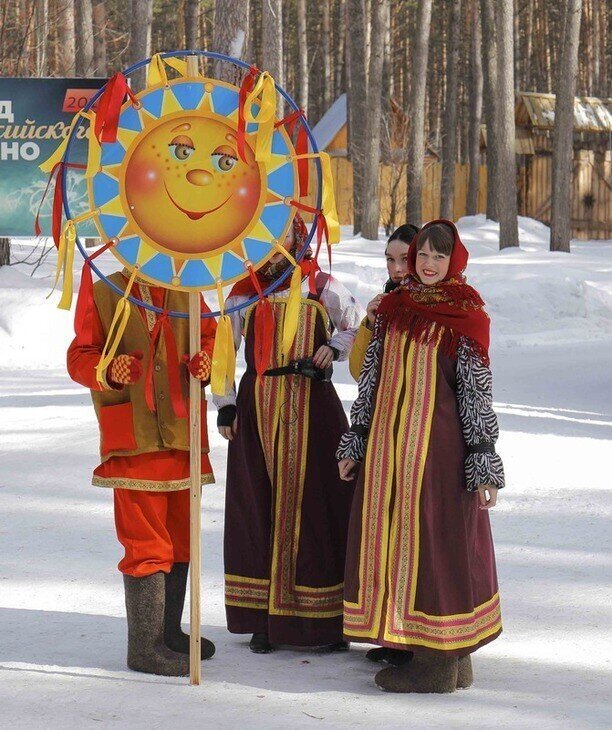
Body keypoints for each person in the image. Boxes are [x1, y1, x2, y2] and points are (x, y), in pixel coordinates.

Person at [337, 219, 505, 693]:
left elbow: (475, 395)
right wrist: (356, 440)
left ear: (454, 261)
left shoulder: (466, 315)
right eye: (423, 256)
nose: (429, 264)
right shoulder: (393, 309)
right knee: (401, 550)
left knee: (438, 549)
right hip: (391, 455)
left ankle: (436, 665)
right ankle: (446, 656)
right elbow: (369, 384)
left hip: (438, 457)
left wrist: (483, 460)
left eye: (439, 256)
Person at [215, 214, 365, 654]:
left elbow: (357, 324)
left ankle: (322, 619)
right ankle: (264, 617)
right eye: (264, 234)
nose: (273, 242)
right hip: (259, 405)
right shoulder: (243, 290)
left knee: (316, 505)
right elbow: (225, 349)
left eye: (280, 233)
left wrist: (333, 346)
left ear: (296, 235)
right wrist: (225, 405)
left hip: (313, 405)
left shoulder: (320, 284)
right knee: (260, 506)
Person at [67, 268, 217, 676]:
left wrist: (207, 362)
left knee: (182, 539)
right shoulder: (104, 288)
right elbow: (79, 355)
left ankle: (168, 632)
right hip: (133, 438)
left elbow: (211, 338)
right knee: (146, 541)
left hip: (181, 434)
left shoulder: (187, 288)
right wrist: (107, 369)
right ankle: (145, 647)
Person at [348, 224, 419, 380]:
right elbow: (358, 373)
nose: (397, 268)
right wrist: (371, 326)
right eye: (390, 259)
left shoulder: (437, 305)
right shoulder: (384, 306)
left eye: (405, 259)